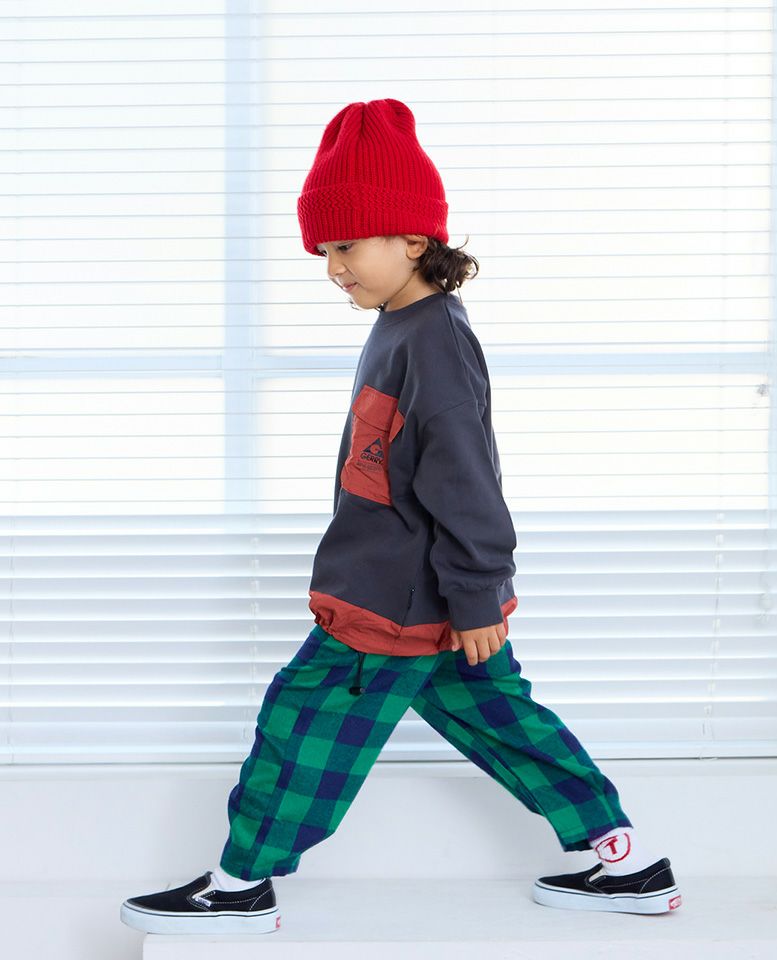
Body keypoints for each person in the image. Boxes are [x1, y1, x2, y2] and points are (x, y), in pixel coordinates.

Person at [120, 98, 682, 936]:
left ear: (413, 239)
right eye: (323, 251)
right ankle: (628, 862)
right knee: (505, 722)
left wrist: (478, 591)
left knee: (304, 720)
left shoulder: (433, 339)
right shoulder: (400, 325)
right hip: (422, 595)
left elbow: (465, 477)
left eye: (347, 246)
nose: (332, 267)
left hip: (395, 603)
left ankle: (239, 887)